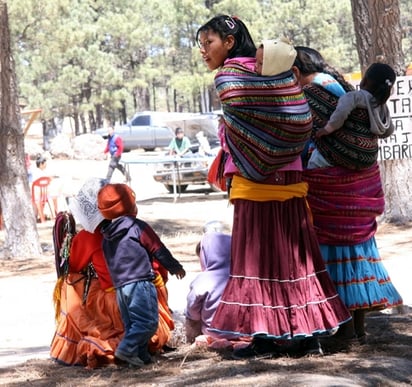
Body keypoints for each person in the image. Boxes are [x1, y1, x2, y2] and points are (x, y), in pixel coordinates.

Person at [196, 15, 351, 359]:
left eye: (209, 43)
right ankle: (307, 336)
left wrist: (237, 139)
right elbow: (292, 115)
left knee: (256, 260)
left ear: (230, 42)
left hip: (255, 178)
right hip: (292, 175)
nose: (204, 51)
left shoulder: (231, 75)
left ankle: (264, 337)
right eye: (201, 45)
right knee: (294, 258)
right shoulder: (274, 70)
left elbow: (237, 126)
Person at [293, 46, 403, 343]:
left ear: (298, 71)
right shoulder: (344, 88)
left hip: (333, 186)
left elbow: (332, 123)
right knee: (357, 255)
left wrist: (325, 133)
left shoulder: (318, 94)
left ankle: (341, 330)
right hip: (360, 185)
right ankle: (357, 328)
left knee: (334, 256)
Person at [97, 183, 186, 367]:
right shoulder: (137, 227)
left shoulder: (106, 236)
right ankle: (125, 349)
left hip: (120, 287)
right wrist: (174, 266)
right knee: (147, 322)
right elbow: (157, 249)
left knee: (132, 325)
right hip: (140, 282)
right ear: (129, 204)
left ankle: (140, 356)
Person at [50, 178, 124, 368]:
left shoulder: (87, 238)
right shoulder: (133, 226)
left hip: (113, 300)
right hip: (146, 293)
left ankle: (81, 343)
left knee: (68, 283)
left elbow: (74, 266)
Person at [311, 63, 395, 168]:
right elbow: (389, 130)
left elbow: (340, 114)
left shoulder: (354, 97)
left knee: (314, 161)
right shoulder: (381, 106)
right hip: (369, 158)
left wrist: (327, 129)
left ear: (365, 80)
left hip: (346, 154)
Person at [185, 221, 232, 347]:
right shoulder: (242, 276)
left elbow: (192, 311)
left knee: (191, 315)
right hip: (243, 331)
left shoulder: (203, 280)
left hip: (215, 333)